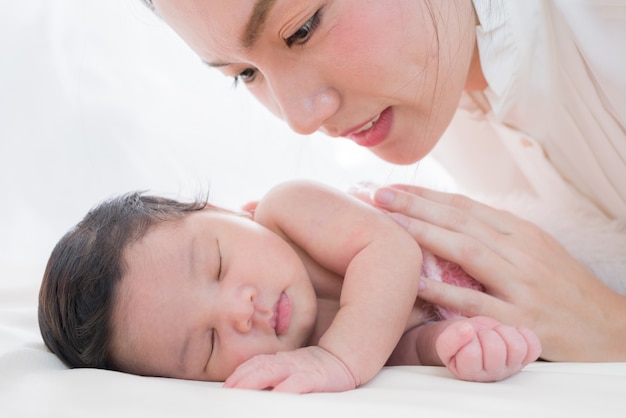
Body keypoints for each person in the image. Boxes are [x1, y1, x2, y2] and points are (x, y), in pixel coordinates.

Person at [137, 0, 626, 361]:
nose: (300, 119)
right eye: (245, 73)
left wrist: (611, 328)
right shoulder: (436, 111)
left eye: (302, 29)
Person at [38, 180, 541, 393]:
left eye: (216, 264)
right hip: (531, 299)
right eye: (209, 344)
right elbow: (398, 343)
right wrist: (454, 345)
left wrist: (337, 361)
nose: (240, 310)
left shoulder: (291, 209)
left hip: (535, 232)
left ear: (224, 212)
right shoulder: (316, 353)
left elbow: (391, 255)